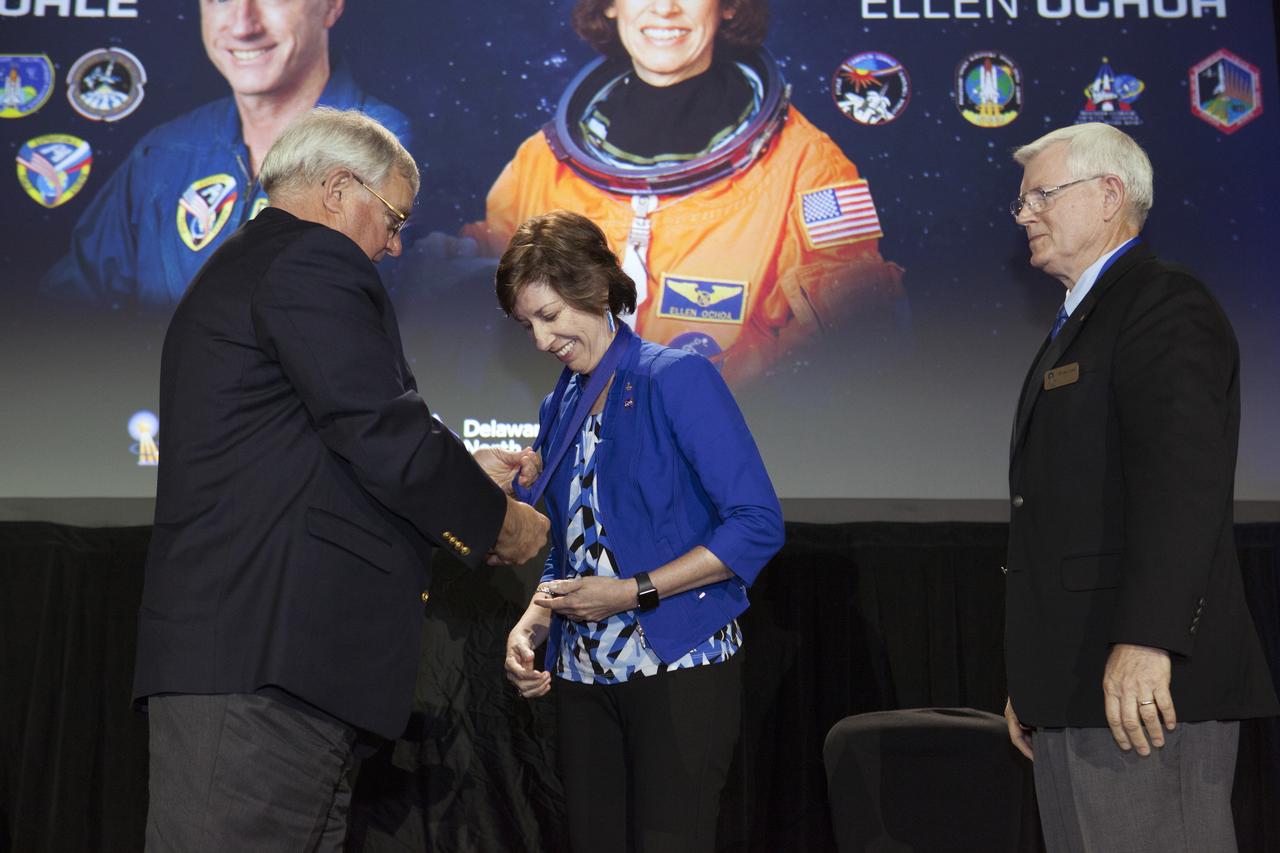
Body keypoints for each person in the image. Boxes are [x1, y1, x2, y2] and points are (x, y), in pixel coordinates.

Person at [131, 108, 549, 852]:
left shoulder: (260, 267)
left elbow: (332, 443)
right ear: (335, 189)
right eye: (392, 219)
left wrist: (462, 468)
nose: (392, 245)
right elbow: (381, 429)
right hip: (264, 670)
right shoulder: (310, 261)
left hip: (269, 671)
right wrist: (496, 520)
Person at [1001, 123, 1279, 852]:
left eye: (1040, 197)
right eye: (1022, 201)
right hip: (1074, 685)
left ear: (1108, 195)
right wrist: (1036, 674)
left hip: (1143, 687)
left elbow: (1184, 484)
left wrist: (1150, 637)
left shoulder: (1163, 305)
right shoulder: (1078, 324)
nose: (1024, 212)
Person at [499, 209, 784, 853]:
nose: (541, 341)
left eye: (549, 316)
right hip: (583, 671)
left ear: (596, 291)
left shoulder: (673, 376)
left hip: (678, 662)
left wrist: (633, 593)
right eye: (527, 326)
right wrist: (536, 617)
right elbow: (571, 541)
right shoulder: (561, 401)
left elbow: (757, 525)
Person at [448, 0, 903, 387]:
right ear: (609, 6)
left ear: (727, 7)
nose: (665, 8)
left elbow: (845, 345)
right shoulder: (541, 163)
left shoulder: (810, 167)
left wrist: (686, 407)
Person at [42, 0, 409, 308]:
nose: (243, 25)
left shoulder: (394, 154)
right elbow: (67, 311)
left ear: (331, 6)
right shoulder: (163, 155)